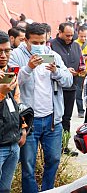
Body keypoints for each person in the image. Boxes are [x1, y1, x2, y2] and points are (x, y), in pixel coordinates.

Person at [8, 22, 73, 193]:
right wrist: (28, 67)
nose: (39, 47)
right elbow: (12, 83)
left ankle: (48, 190)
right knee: (28, 164)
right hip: (27, 121)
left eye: (42, 42)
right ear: (26, 41)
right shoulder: (16, 55)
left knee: (53, 159)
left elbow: (68, 80)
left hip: (52, 119)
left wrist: (56, 72)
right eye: (35, 43)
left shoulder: (53, 56)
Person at [50, 22, 83, 156]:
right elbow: (47, 64)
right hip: (56, 87)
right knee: (55, 117)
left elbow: (81, 62)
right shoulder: (51, 45)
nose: (70, 38)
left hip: (71, 86)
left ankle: (64, 146)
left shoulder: (76, 46)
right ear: (60, 32)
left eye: (71, 35)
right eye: (67, 35)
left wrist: (79, 70)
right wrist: (63, 71)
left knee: (67, 118)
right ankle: (54, 147)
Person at [0, 30, 25, 193]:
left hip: (12, 143)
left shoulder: (10, 73)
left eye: (7, 51)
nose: (3, 55)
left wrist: (23, 128)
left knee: (5, 189)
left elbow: (17, 104)